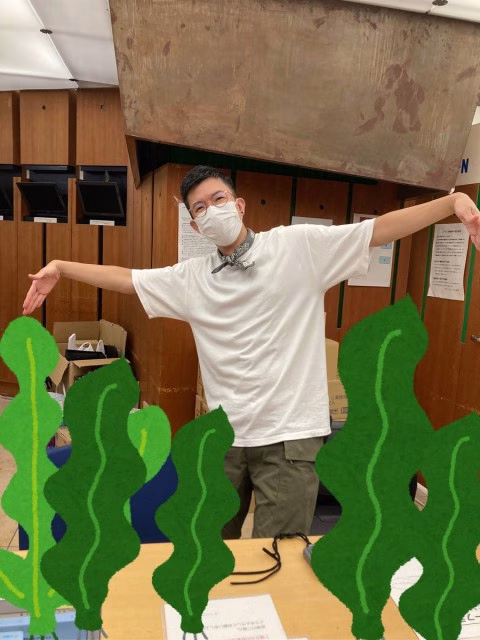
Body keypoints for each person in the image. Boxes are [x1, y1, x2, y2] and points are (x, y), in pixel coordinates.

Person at [22, 165, 480, 539]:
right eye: (200, 208)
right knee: (210, 546)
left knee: (278, 556)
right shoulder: (193, 278)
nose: (212, 210)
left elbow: (376, 231)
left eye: (218, 199)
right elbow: (128, 278)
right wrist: (62, 266)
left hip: (291, 434)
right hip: (225, 436)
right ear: (195, 225)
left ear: (239, 205)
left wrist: (451, 202)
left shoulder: (297, 248)